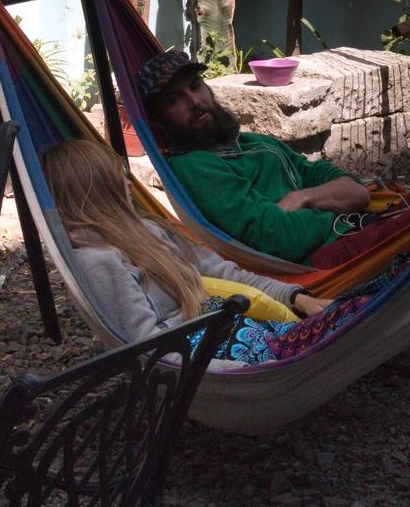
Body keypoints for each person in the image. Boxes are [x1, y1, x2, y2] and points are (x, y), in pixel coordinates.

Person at [42, 138, 363, 363]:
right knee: (348, 329)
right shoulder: (97, 260)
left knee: (361, 311)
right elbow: (145, 347)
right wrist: (233, 368)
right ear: (99, 191)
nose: (129, 184)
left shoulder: (150, 230)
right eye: (118, 178)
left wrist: (296, 297)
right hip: (213, 358)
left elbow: (227, 274)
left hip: (243, 329)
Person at [136, 50, 410, 268]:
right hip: (323, 260)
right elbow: (278, 237)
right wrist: (333, 208)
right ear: (159, 121)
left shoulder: (256, 143)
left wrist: (301, 199)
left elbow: (356, 192)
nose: (194, 101)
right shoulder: (193, 166)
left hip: (354, 232)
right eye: (174, 101)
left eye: (196, 86)